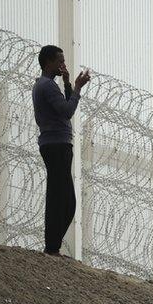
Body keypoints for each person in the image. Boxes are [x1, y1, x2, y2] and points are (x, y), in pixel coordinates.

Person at [32, 45, 91, 256]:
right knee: (62, 199)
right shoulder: (46, 86)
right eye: (60, 61)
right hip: (56, 145)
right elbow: (67, 111)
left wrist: (67, 83)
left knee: (64, 199)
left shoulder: (48, 85)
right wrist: (77, 88)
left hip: (57, 144)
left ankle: (53, 246)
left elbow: (63, 107)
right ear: (48, 62)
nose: (63, 65)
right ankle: (51, 248)